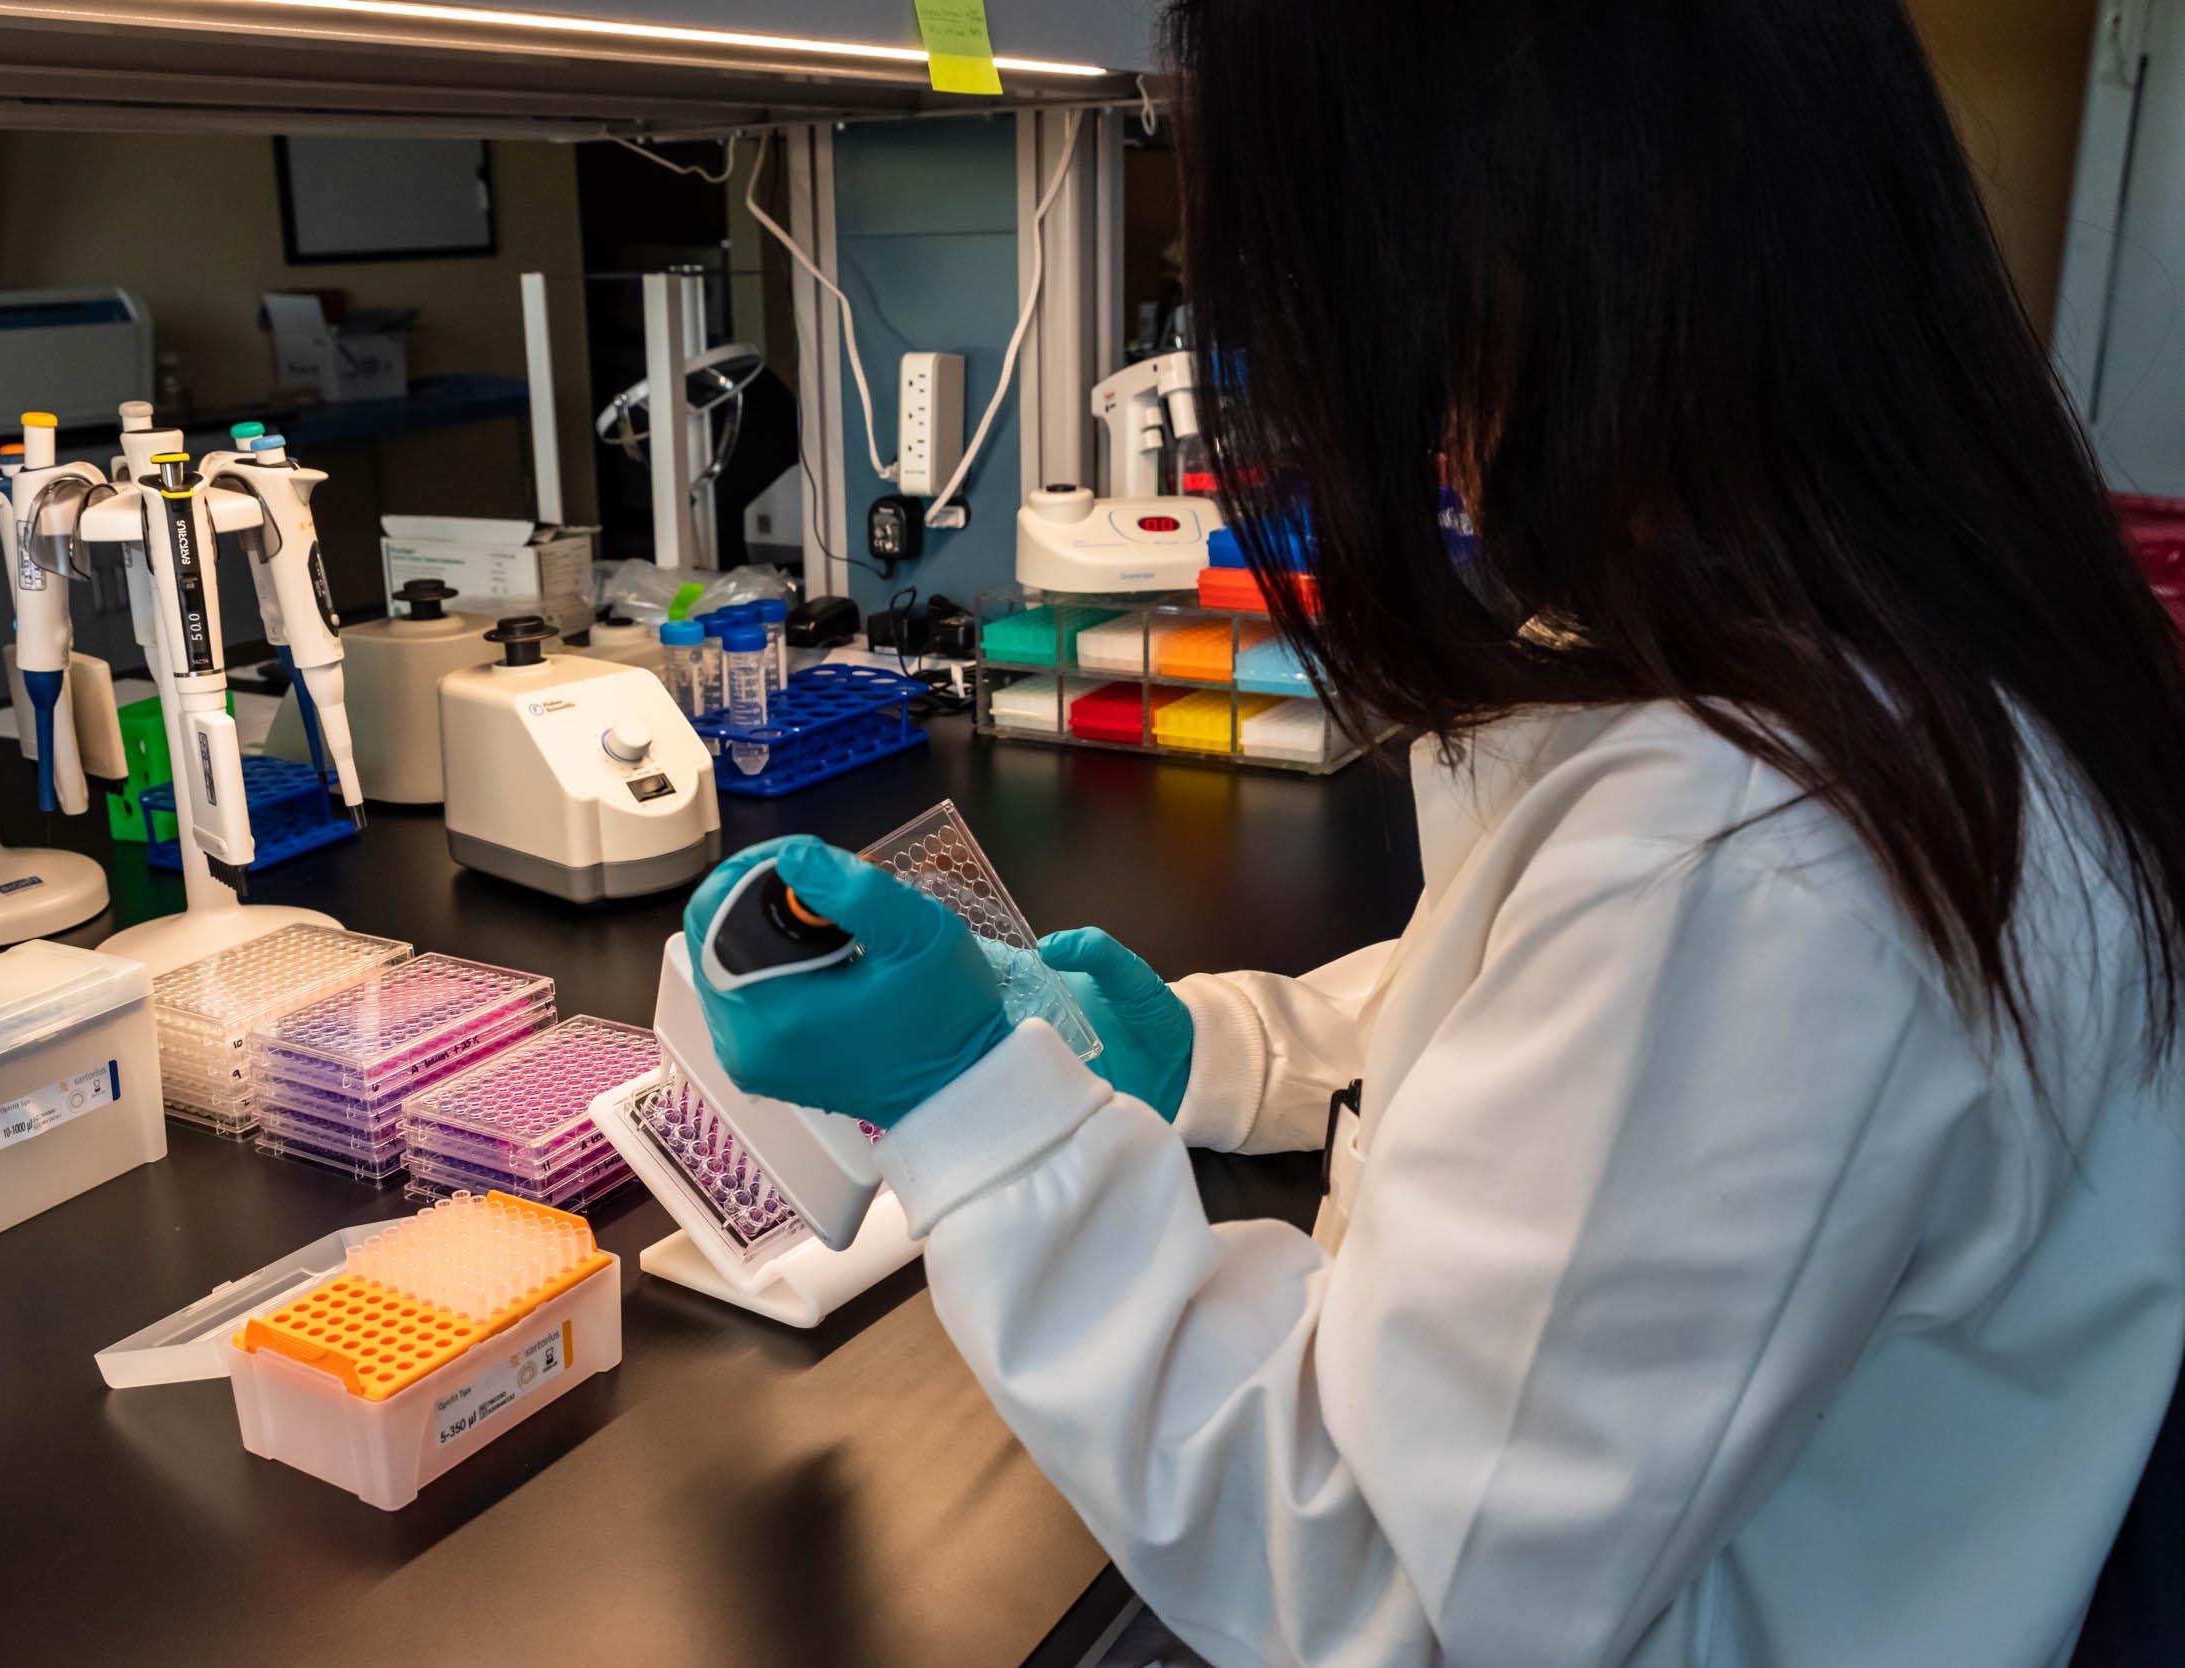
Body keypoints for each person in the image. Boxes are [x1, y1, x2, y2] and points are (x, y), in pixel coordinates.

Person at [686, 3, 2185, 1663]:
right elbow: (1571, 1028)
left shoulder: (1757, 850)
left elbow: (1380, 1584)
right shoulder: (1879, 646)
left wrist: (972, 1109)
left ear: (1499, 242)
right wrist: (1220, 1050)